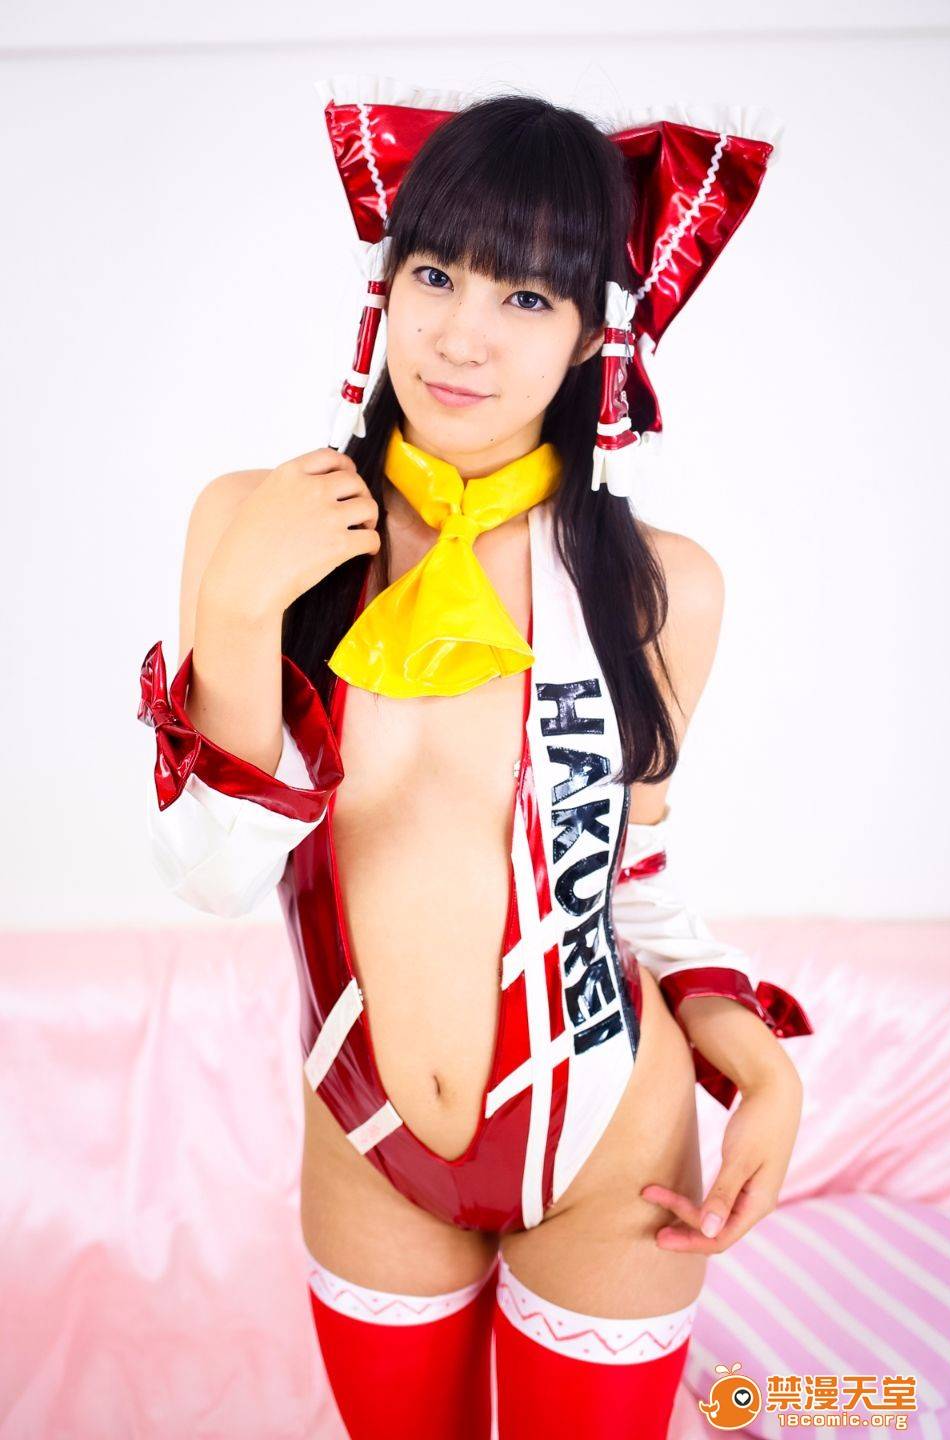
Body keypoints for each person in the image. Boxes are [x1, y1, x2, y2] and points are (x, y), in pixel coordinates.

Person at [138, 77, 813, 1440]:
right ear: (384, 285)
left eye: (526, 296)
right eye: (435, 274)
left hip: (615, 1146)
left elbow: (631, 882)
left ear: (592, 336)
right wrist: (242, 611)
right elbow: (214, 880)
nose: (460, 335)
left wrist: (764, 1065)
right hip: (369, 1145)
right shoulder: (259, 527)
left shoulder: (659, 587)